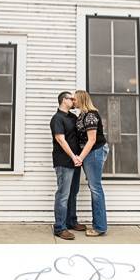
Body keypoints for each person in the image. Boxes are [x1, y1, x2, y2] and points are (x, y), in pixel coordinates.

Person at [73, 90, 110, 237]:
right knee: (94, 187)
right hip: (88, 153)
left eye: (74, 99)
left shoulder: (91, 116)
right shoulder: (82, 115)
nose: (72, 101)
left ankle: (100, 227)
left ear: (81, 100)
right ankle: (99, 224)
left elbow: (92, 140)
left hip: (94, 152)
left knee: (95, 188)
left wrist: (80, 158)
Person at [50, 91, 84, 240]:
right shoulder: (57, 118)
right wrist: (73, 157)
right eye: (72, 99)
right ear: (64, 100)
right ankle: (59, 228)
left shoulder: (73, 117)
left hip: (76, 161)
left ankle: (71, 221)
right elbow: (61, 140)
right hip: (64, 161)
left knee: (73, 192)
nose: (74, 101)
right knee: (63, 195)